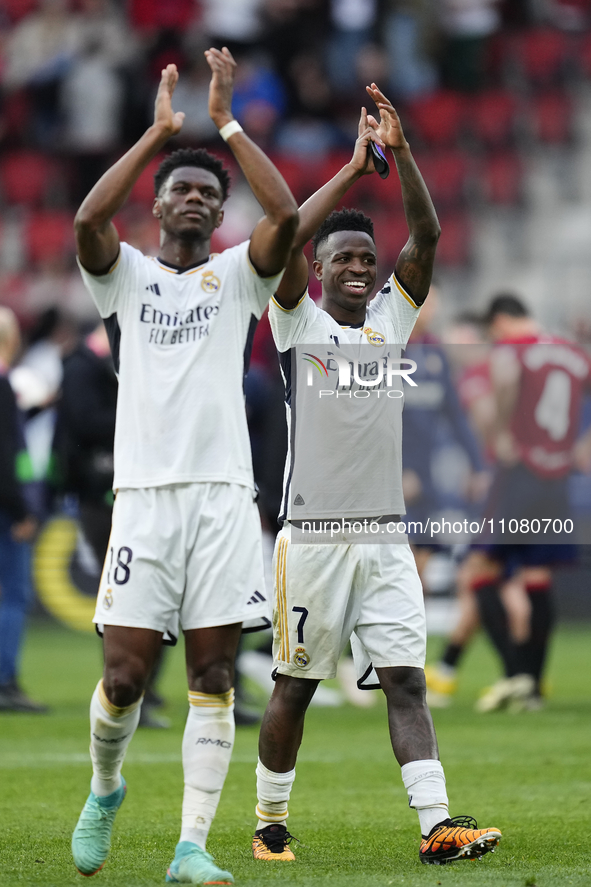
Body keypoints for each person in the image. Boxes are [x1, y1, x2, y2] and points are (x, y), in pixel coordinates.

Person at [250, 84, 501, 866]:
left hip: (386, 536)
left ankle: (436, 825)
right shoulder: (295, 323)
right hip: (313, 538)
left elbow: (425, 231)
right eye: (343, 258)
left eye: (365, 257)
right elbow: (284, 230)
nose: (358, 267)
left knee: (406, 681)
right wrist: (355, 171)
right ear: (318, 271)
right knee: (293, 686)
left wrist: (404, 153)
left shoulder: (393, 320)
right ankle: (269, 824)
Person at [70, 48, 298, 884]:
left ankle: (191, 846)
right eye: (182, 188)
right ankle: (104, 788)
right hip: (142, 500)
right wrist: (159, 132)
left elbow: (289, 220)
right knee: (125, 677)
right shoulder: (124, 276)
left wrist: (228, 124)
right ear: (158, 204)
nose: (196, 197)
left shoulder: (236, 277)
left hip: (223, 502)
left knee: (212, 673)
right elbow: (88, 223)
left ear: (218, 211)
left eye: (209, 191)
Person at [470, 294, 591, 712]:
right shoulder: (571, 353)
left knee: (479, 571)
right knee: (538, 576)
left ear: (501, 321)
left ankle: (515, 674)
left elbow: (503, 383)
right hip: (556, 477)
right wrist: (583, 445)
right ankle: (535, 688)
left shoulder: (512, 350)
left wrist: (499, 433)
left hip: (519, 469)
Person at [0, 307, 47, 714]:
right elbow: (7, 455)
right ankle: (5, 680)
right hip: (5, 507)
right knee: (13, 594)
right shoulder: (4, 384)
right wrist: (22, 511)